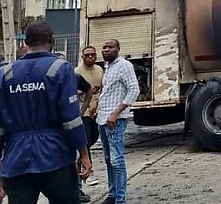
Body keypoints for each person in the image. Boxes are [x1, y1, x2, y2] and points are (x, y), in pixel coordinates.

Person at [0, 21, 92, 204]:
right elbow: (71, 119)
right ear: (51, 41)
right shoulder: (61, 69)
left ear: (25, 43)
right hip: (55, 156)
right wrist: (83, 152)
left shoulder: (5, 73)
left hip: (16, 160)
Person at [97, 39, 139, 204]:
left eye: (110, 47)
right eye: (104, 47)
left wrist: (116, 113)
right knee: (108, 159)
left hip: (115, 120)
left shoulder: (124, 65)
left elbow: (134, 90)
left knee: (117, 160)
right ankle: (112, 194)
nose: (106, 50)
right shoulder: (108, 67)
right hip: (103, 119)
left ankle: (120, 200)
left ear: (118, 49)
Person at [76, 46, 104, 187]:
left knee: (94, 137)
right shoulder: (77, 72)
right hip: (83, 111)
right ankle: (88, 170)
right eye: (87, 55)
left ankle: (81, 162)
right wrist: (87, 92)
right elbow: (73, 92)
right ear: (83, 57)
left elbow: (103, 87)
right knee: (85, 141)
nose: (91, 57)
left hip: (96, 111)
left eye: (93, 55)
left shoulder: (99, 70)